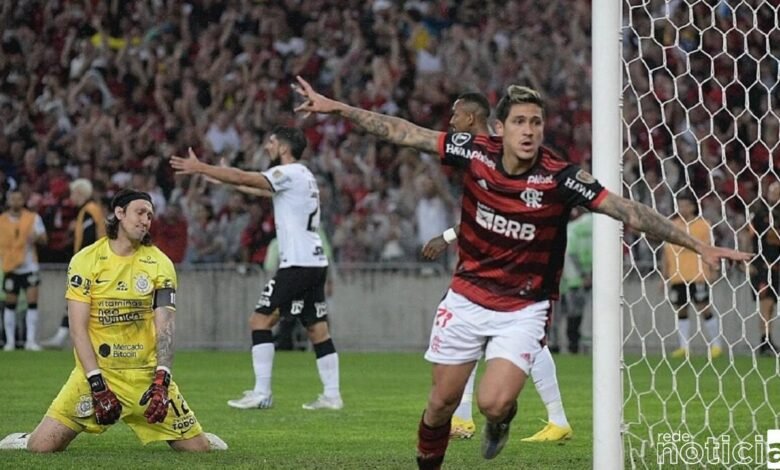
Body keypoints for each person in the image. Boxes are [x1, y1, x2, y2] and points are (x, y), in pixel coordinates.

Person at [291, 75, 750, 468]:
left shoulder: (560, 177)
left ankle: (502, 420)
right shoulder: (474, 151)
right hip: (467, 295)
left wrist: (696, 244)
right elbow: (404, 132)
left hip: (524, 307)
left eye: (536, 122)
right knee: (440, 405)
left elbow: (627, 210)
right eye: (519, 122)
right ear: (501, 128)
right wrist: (339, 108)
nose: (529, 131)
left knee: (492, 402)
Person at [0, 189, 226, 452]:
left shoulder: (160, 264)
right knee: (40, 448)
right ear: (119, 213)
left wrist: (162, 379)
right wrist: (96, 383)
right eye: (140, 212)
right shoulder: (85, 260)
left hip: (145, 376)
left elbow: (165, 327)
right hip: (97, 373)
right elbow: (78, 329)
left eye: (150, 215)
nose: (146, 220)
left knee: (199, 450)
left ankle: (198, 435)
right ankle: (28, 437)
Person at [421, 92, 573, 443]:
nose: (451, 122)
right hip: (484, 271)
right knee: (477, 335)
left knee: (517, 339)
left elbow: (498, 213)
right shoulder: (482, 153)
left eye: (456, 115)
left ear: (471, 119)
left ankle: (552, 417)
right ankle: (467, 417)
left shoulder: (496, 153)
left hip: (516, 272)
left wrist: (446, 236)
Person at [170, 126, 343, 411]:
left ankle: (262, 393)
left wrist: (202, 167)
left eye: (272, 142)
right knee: (317, 329)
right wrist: (221, 177)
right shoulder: (304, 175)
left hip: (297, 263)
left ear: (284, 147)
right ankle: (332, 395)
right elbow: (255, 186)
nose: (267, 146)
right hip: (314, 262)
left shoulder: (288, 172)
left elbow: (245, 176)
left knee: (259, 321)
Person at [42, 179, 106, 349]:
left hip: (90, 263)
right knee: (81, 300)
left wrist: (82, 261)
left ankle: (66, 337)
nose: (71, 198)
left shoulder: (89, 210)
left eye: (73, 194)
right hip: (95, 261)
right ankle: (63, 337)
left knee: (79, 299)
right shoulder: (90, 210)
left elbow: (89, 238)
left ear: (81, 193)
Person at [661, 193, 723, 359]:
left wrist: (714, 270)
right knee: (681, 310)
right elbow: (666, 252)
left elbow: (711, 248)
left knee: (704, 308)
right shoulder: (672, 225)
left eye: (685, 205)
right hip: (677, 275)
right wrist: (663, 276)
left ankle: (717, 345)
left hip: (698, 274)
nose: (682, 209)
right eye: (679, 205)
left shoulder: (704, 225)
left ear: (693, 207)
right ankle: (684, 347)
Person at [0, 189, 47, 351]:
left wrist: (36, 237)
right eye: (13, 199)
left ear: (23, 200)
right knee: (10, 304)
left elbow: (44, 238)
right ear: (8, 201)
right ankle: (10, 342)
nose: (16, 202)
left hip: (29, 265)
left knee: (32, 303)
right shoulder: (2, 220)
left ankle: (30, 341)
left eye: (19, 199)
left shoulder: (33, 218)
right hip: (10, 266)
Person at [749, 181, 780, 355]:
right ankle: (765, 341)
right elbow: (748, 237)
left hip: (776, 266)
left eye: (777, 192)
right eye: (772, 191)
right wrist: (749, 262)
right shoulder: (760, 213)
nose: (774, 194)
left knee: (771, 305)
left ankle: (767, 340)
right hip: (762, 266)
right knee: (766, 304)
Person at [560, 208, 592, 354]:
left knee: (573, 313)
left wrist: (583, 275)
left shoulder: (572, 228)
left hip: (573, 279)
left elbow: (571, 253)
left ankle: (573, 344)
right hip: (594, 277)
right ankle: (583, 343)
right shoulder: (599, 225)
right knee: (587, 313)